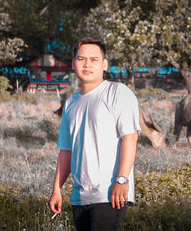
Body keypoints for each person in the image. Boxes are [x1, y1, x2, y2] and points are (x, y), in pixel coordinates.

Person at [49, 37, 141, 230]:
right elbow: (66, 151)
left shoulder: (117, 92)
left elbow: (130, 138)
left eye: (94, 59)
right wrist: (57, 189)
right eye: (82, 59)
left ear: (104, 64)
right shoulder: (71, 103)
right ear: (74, 63)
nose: (87, 64)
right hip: (79, 197)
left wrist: (122, 180)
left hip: (110, 194)